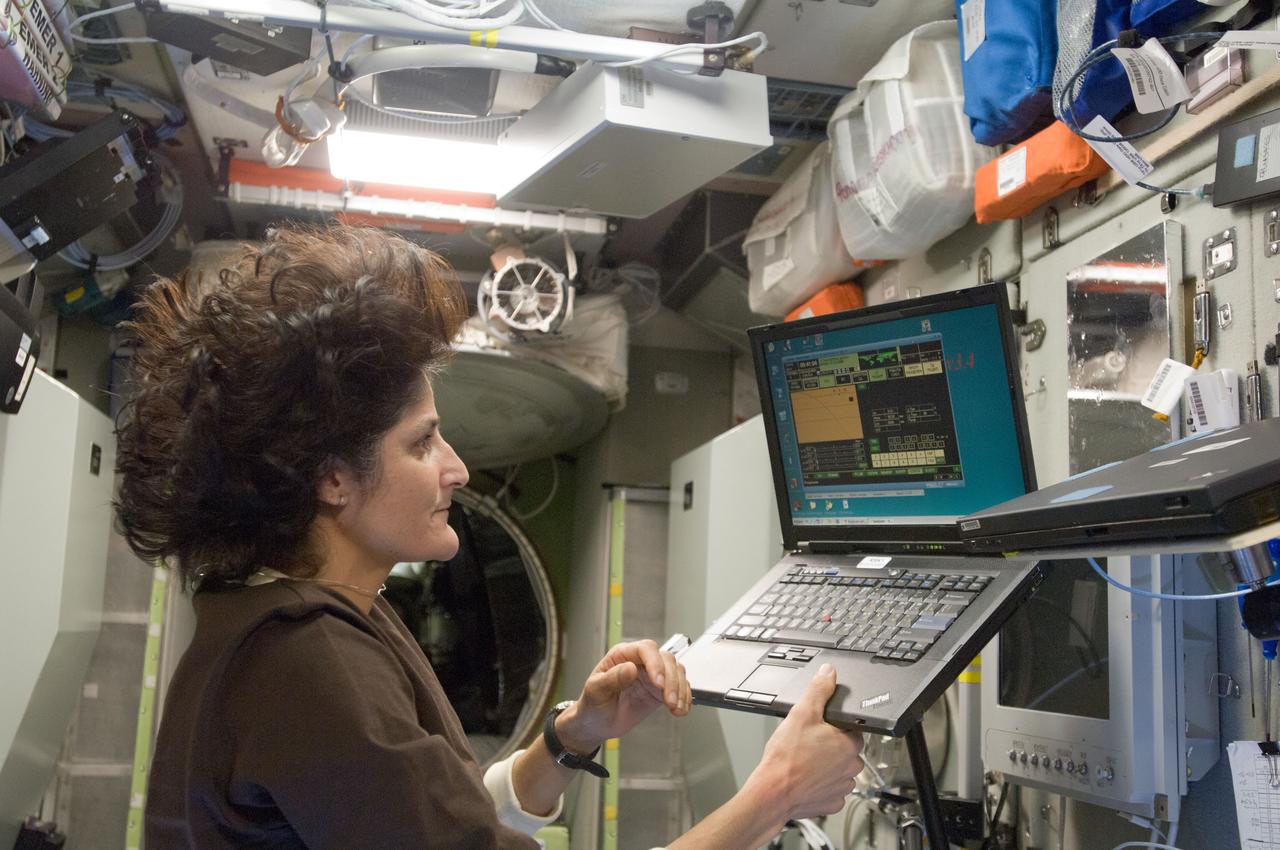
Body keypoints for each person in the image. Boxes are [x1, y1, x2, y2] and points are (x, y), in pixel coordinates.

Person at [116, 223, 865, 849]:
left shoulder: (314, 617)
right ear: (330, 479)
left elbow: (441, 824)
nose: (458, 470)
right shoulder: (307, 658)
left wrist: (574, 735)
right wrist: (777, 793)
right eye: (422, 444)